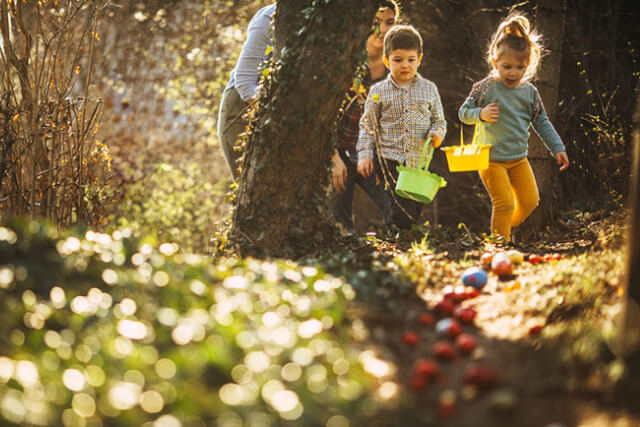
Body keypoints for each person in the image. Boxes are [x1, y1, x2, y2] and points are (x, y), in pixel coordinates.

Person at [458, 13, 570, 243]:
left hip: (519, 158)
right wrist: (480, 114)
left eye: (520, 67)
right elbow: (463, 113)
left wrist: (557, 147)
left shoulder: (529, 93)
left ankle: (500, 231)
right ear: (494, 60)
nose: (513, 73)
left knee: (530, 202)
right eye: (507, 66)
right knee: (505, 203)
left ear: (528, 65)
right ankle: (501, 246)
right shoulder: (485, 87)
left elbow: (541, 121)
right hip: (490, 159)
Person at [357, 24, 447, 230]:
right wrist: (364, 154)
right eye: (398, 60)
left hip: (418, 160)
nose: (405, 65)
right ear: (386, 60)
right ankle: (399, 234)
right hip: (390, 159)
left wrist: (437, 134)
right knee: (399, 207)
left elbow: (439, 121)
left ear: (419, 59)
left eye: (410, 60)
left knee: (415, 206)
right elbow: (368, 123)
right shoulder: (379, 91)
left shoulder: (429, 89)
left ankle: (404, 239)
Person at [331, 1, 399, 235]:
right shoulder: (345, 64)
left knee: (399, 213)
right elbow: (321, 121)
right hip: (337, 153)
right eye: (375, 24)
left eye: (389, 23)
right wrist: (333, 157)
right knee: (340, 227)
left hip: (367, 155)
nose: (382, 31)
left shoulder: (398, 71)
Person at [217, 4, 276, 180]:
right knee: (250, 192)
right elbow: (246, 85)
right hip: (240, 111)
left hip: (269, 110)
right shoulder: (270, 17)